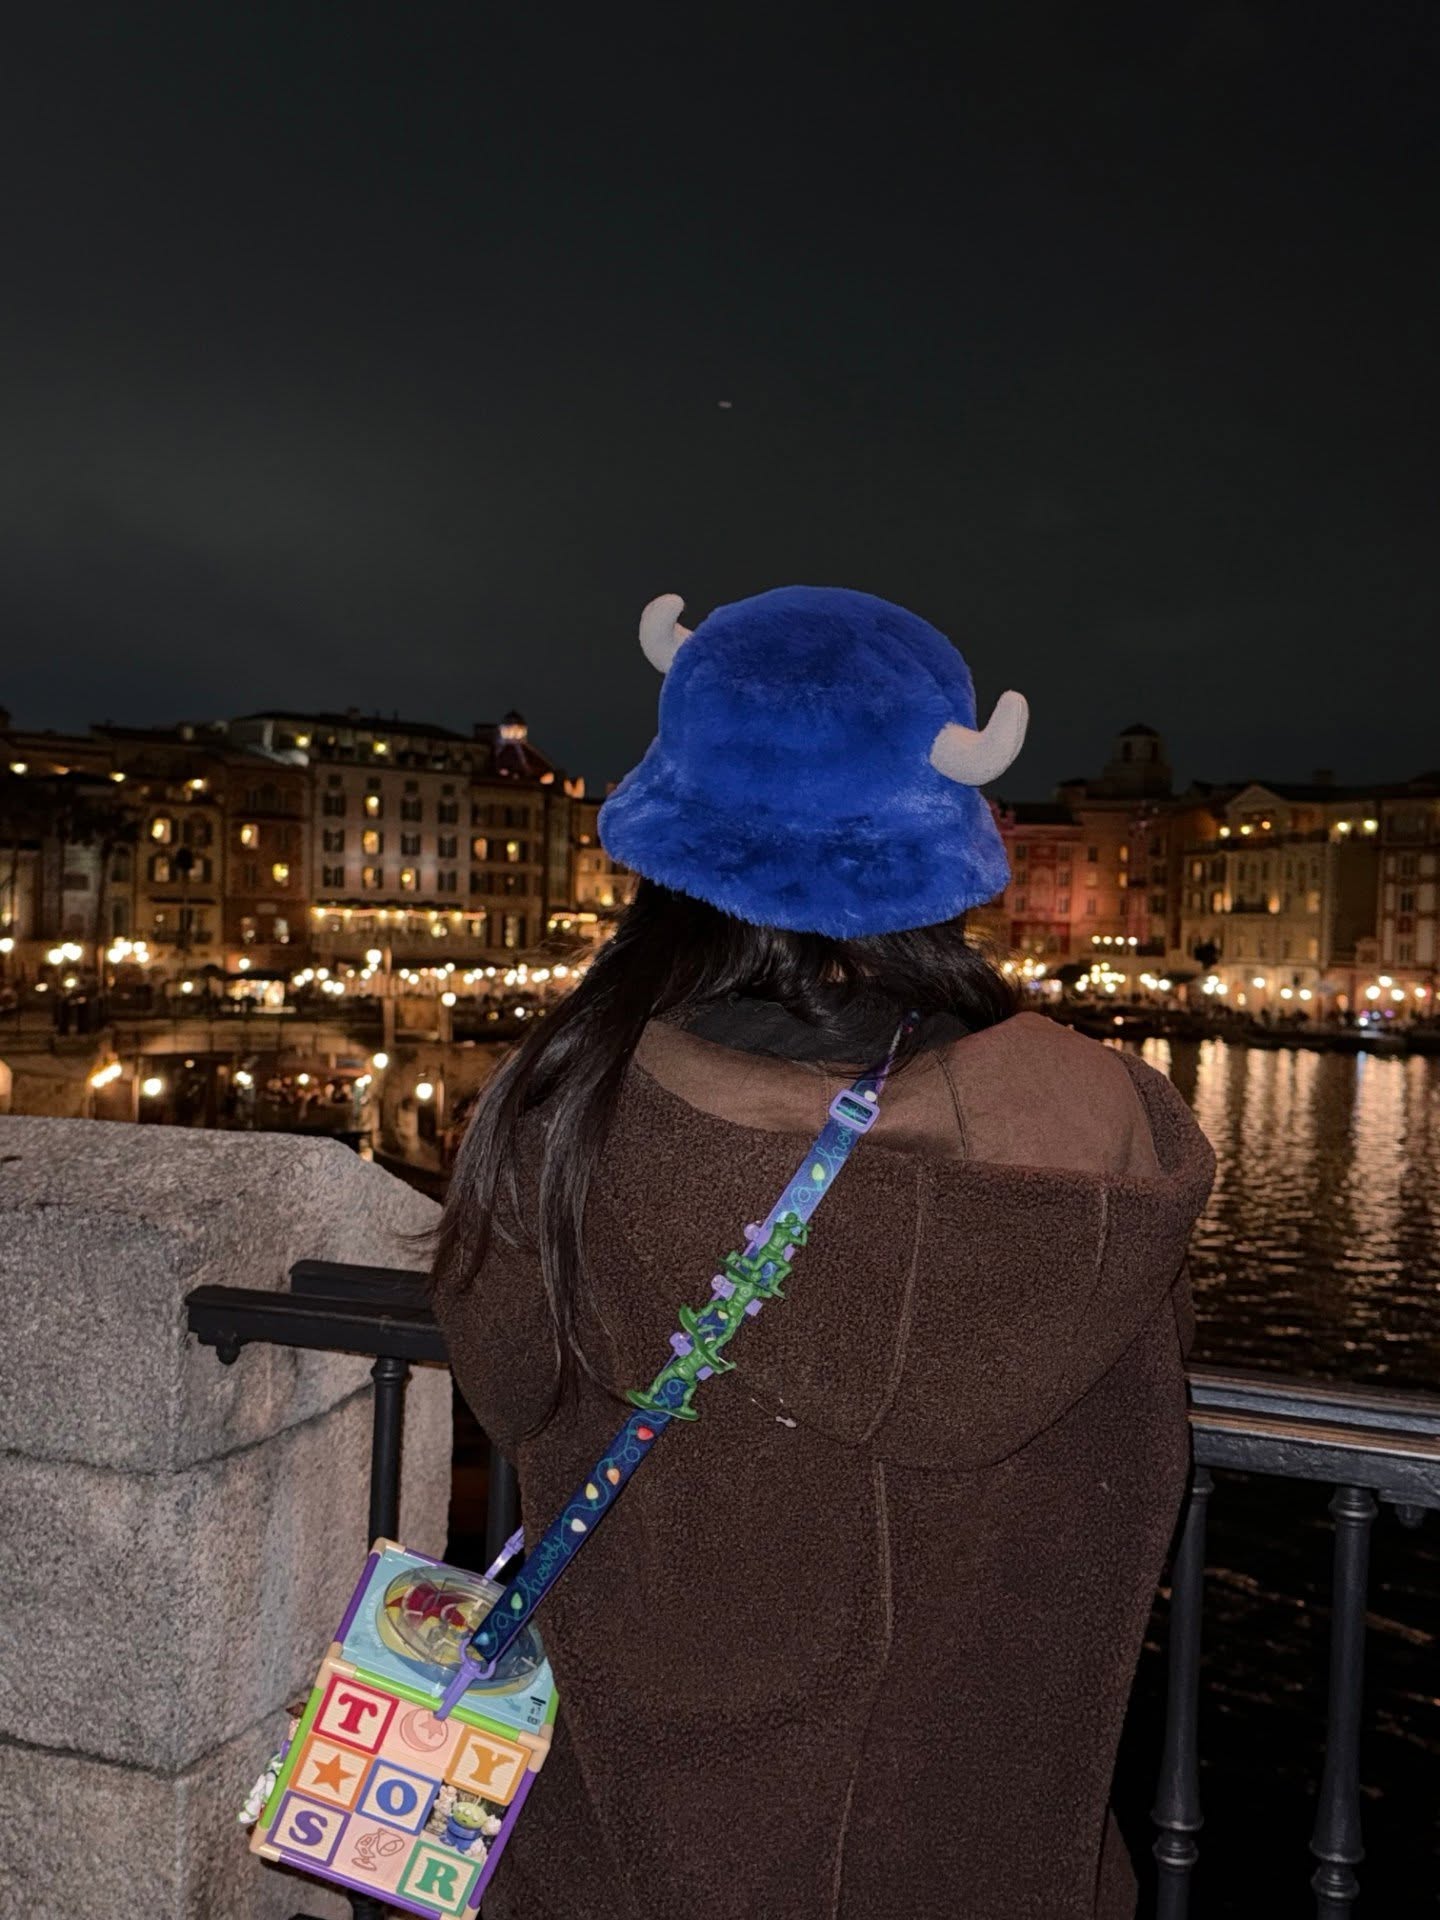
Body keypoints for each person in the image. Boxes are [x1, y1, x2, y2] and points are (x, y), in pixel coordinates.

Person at [432, 586, 1216, 1920]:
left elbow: (507, 1376)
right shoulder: (1100, 1117)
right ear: (947, 824)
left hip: (635, 1838)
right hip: (983, 1845)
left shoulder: (574, 1104)